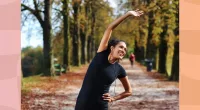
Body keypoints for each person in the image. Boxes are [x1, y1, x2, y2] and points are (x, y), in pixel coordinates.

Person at [75, 9, 144, 110]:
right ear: (112, 48)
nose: (123, 50)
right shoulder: (101, 53)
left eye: (125, 49)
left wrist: (113, 98)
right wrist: (128, 14)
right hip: (83, 104)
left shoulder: (120, 70)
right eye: (121, 47)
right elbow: (109, 28)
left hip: (101, 106)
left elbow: (129, 91)